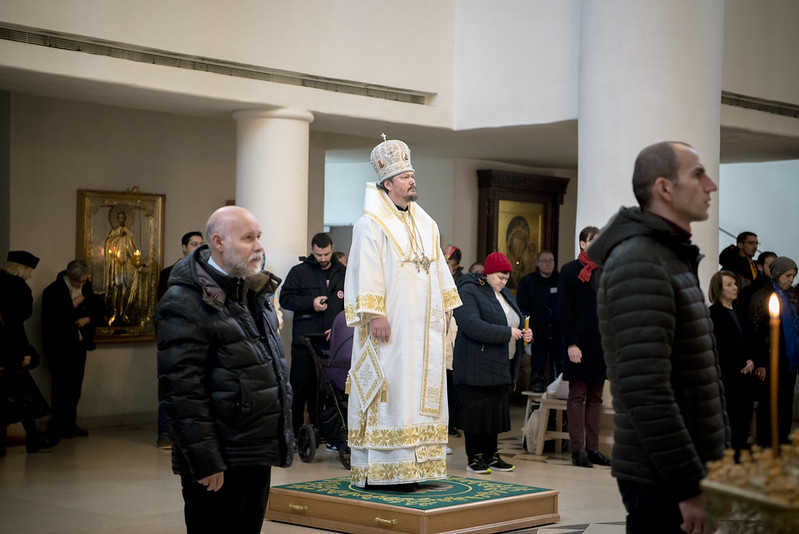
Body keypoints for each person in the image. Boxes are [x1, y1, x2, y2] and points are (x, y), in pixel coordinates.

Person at [590, 141, 728, 534]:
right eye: (699, 174)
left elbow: (695, 377)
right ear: (664, 188)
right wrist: (688, 487)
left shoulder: (666, 255)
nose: (711, 185)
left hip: (681, 467)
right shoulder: (639, 260)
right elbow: (645, 389)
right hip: (662, 476)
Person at [155, 206, 292, 534]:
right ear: (218, 242)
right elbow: (182, 390)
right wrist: (204, 460)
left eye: (259, 237)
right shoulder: (185, 301)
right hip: (218, 457)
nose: (259, 246)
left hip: (253, 449)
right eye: (248, 238)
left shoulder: (254, 292)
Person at [344, 136, 461, 489]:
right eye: (405, 176)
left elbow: (439, 266)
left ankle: (420, 467)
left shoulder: (427, 223)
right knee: (393, 391)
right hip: (390, 329)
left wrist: (447, 305)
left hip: (423, 330)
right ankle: (387, 468)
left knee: (420, 392)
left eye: (413, 174)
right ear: (388, 183)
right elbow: (366, 269)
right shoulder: (370, 223)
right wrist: (374, 313)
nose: (413, 180)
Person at [452, 252, 531, 474]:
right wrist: (508, 332)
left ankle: (491, 455)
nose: (504, 283)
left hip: (500, 364)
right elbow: (471, 325)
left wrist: (525, 332)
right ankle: (474, 457)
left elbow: (515, 319)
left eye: (507, 279)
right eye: (500, 278)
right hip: (475, 364)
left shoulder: (504, 294)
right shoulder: (469, 290)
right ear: (487, 274)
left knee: (494, 412)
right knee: (476, 411)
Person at [279, 232, 346, 452]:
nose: (323, 258)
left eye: (326, 254)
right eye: (318, 254)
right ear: (312, 251)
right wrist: (311, 302)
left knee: (329, 392)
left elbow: (353, 304)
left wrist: (338, 328)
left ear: (332, 248)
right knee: (300, 389)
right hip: (304, 343)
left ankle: (328, 435)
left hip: (332, 344)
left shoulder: (344, 273)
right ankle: (296, 435)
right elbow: (285, 299)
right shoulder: (299, 272)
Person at [558, 227, 610, 469]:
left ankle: (593, 448)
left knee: (596, 398)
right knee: (577, 396)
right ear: (582, 243)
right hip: (578, 343)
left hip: (600, 343)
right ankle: (578, 450)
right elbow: (564, 311)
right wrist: (571, 343)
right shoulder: (570, 270)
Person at [0, 251, 59, 454]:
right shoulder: (18, 289)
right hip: (8, 351)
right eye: (30, 270)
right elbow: (15, 326)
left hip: (3, 349)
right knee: (22, 397)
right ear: (22, 268)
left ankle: (30, 439)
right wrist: (24, 352)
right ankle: (33, 439)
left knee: (10, 397)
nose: (31, 275)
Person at [41, 260, 103, 438]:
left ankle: (70, 424)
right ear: (70, 277)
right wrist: (73, 305)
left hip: (79, 344)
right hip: (59, 347)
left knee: (75, 386)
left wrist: (88, 319)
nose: (82, 285)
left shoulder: (86, 288)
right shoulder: (53, 291)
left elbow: (99, 310)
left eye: (84, 281)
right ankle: (58, 425)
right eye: (78, 282)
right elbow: (52, 320)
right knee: (60, 387)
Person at [154, 231, 204, 449]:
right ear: (183, 247)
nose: (199, 247)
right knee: (172, 385)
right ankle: (165, 433)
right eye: (194, 244)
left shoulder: (206, 273)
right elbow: (162, 307)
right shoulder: (168, 274)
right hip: (175, 336)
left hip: (200, 337)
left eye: (202, 244)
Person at [748, 256, 799, 447]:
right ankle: (767, 446)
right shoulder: (762, 296)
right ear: (777, 274)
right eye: (788, 276)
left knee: (786, 405)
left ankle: (783, 443)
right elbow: (755, 332)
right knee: (769, 405)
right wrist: (760, 362)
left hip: (789, 360)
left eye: (793, 276)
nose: (791, 280)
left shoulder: (792, 296)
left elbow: (796, 327)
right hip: (770, 361)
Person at [708, 270, 757, 457]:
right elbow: (716, 347)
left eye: (735, 284)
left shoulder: (740, 312)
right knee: (728, 421)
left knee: (744, 421)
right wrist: (739, 365)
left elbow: (749, 341)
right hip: (726, 378)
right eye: (729, 284)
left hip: (745, 377)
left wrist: (751, 359)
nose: (734, 287)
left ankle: (738, 457)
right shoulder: (712, 314)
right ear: (718, 288)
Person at [517, 250, 562, 393]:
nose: (548, 263)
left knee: (560, 371)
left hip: (558, 334)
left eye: (551, 260)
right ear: (537, 263)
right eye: (544, 260)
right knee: (537, 371)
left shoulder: (562, 280)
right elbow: (522, 309)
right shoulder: (527, 282)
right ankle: (536, 410)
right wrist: (528, 330)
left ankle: (558, 413)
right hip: (537, 334)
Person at [104, 208, 140, 326]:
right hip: (116, 264)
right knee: (116, 288)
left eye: (122, 218)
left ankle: (124, 311)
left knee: (125, 289)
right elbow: (108, 244)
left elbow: (134, 249)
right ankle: (114, 312)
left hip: (127, 265)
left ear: (126, 219)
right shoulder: (114, 232)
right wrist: (117, 237)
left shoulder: (129, 233)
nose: (121, 220)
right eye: (119, 218)